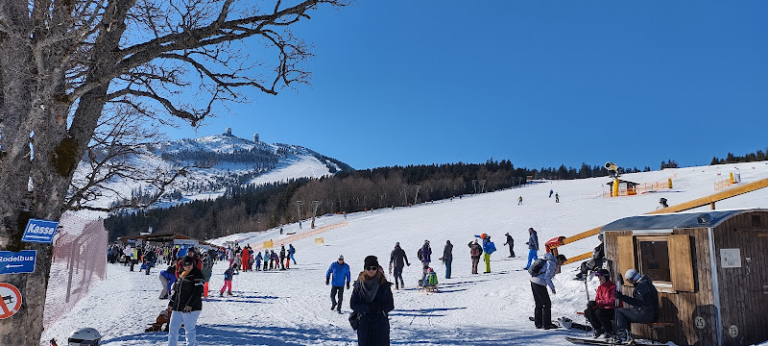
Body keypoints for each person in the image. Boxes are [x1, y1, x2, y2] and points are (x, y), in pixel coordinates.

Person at [350, 256, 394, 346]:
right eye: (368, 268)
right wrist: (366, 307)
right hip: (364, 324)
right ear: (365, 269)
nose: (371, 270)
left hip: (380, 324)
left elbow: (390, 305)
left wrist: (379, 308)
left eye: (374, 268)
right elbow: (353, 304)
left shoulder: (384, 285)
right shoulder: (359, 285)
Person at [613, 269, 659, 343]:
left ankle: (622, 335)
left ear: (633, 278)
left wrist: (621, 297)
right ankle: (627, 335)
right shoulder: (646, 283)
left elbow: (637, 303)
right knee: (626, 314)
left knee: (620, 311)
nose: (630, 283)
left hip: (646, 314)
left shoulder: (641, 287)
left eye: (629, 281)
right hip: (652, 314)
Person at [167, 256, 205, 346]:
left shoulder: (197, 274)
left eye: (190, 264)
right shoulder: (182, 274)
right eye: (185, 264)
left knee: (189, 329)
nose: (188, 266)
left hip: (192, 307)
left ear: (193, 264)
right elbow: (177, 292)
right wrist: (171, 303)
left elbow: (198, 291)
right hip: (178, 306)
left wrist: (190, 304)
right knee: (172, 328)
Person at [530, 253, 567, 329]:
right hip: (539, 283)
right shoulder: (552, 263)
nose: (562, 264)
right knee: (547, 304)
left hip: (534, 282)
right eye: (562, 262)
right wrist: (552, 288)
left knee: (539, 304)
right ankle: (547, 324)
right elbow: (547, 277)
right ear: (559, 259)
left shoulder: (548, 261)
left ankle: (538, 323)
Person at [584, 269, 617, 338]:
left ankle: (609, 330)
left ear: (606, 277)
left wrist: (598, 303)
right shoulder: (600, 287)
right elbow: (597, 299)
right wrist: (592, 305)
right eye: (599, 277)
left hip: (612, 309)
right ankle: (598, 329)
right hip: (602, 308)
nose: (599, 279)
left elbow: (612, 301)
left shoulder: (612, 287)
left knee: (598, 312)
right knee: (588, 311)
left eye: (601, 277)